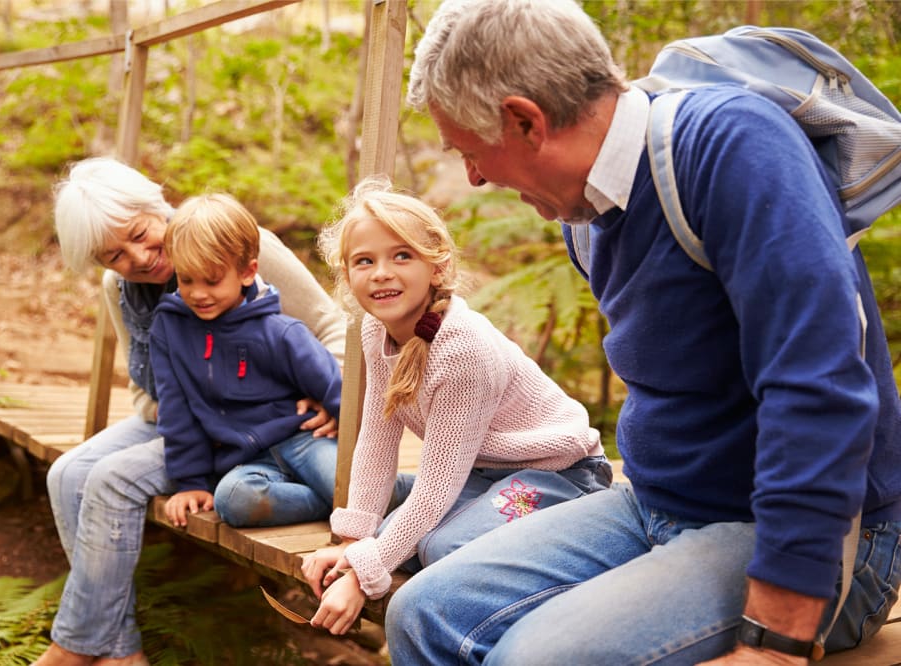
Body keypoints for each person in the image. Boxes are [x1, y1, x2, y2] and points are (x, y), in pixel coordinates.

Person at [386, 1, 901, 664]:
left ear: (525, 120)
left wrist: (775, 639)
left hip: (817, 539)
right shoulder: (584, 216)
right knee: (422, 614)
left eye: (471, 152)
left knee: (533, 659)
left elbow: (820, 388)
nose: (475, 178)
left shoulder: (730, 147)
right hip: (657, 504)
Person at [34, 156, 347, 666]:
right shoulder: (121, 288)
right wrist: (176, 409)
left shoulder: (238, 245)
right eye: (114, 254)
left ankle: (76, 647)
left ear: (155, 206)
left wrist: (332, 399)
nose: (138, 257)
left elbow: (331, 328)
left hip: (256, 419)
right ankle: (119, 651)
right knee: (66, 473)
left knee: (114, 479)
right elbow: (143, 387)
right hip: (178, 417)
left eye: (141, 233)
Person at [300, 176, 611, 636]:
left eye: (401, 255)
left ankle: (574, 544)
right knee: (400, 533)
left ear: (437, 266)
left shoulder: (462, 349)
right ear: (347, 276)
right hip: (483, 471)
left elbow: (435, 488)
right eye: (364, 261)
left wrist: (360, 578)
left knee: (442, 550)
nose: (381, 272)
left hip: (560, 473)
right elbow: (376, 441)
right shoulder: (375, 329)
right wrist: (354, 541)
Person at [150, 192, 341, 529]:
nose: (197, 293)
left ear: (247, 272)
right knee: (233, 501)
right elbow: (176, 409)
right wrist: (191, 482)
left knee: (349, 486)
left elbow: (334, 386)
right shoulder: (170, 329)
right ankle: (335, 504)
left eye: (211, 280)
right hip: (246, 460)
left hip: (305, 441)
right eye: (186, 279)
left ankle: (382, 497)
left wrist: (340, 416)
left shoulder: (281, 332)